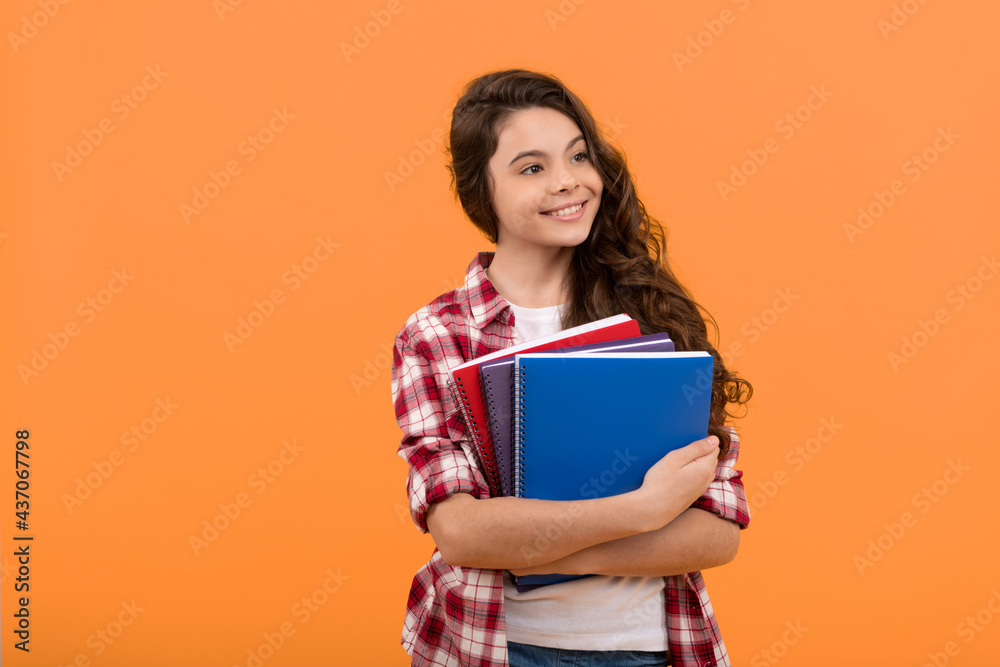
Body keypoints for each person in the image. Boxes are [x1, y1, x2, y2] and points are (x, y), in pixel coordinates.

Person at [390, 68, 753, 667]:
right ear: (484, 193)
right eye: (532, 167)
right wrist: (640, 511)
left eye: (579, 157)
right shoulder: (438, 333)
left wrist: (528, 547)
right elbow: (458, 532)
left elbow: (718, 531)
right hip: (499, 648)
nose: (569, 183)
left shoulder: (653, 316)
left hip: (652, 649)